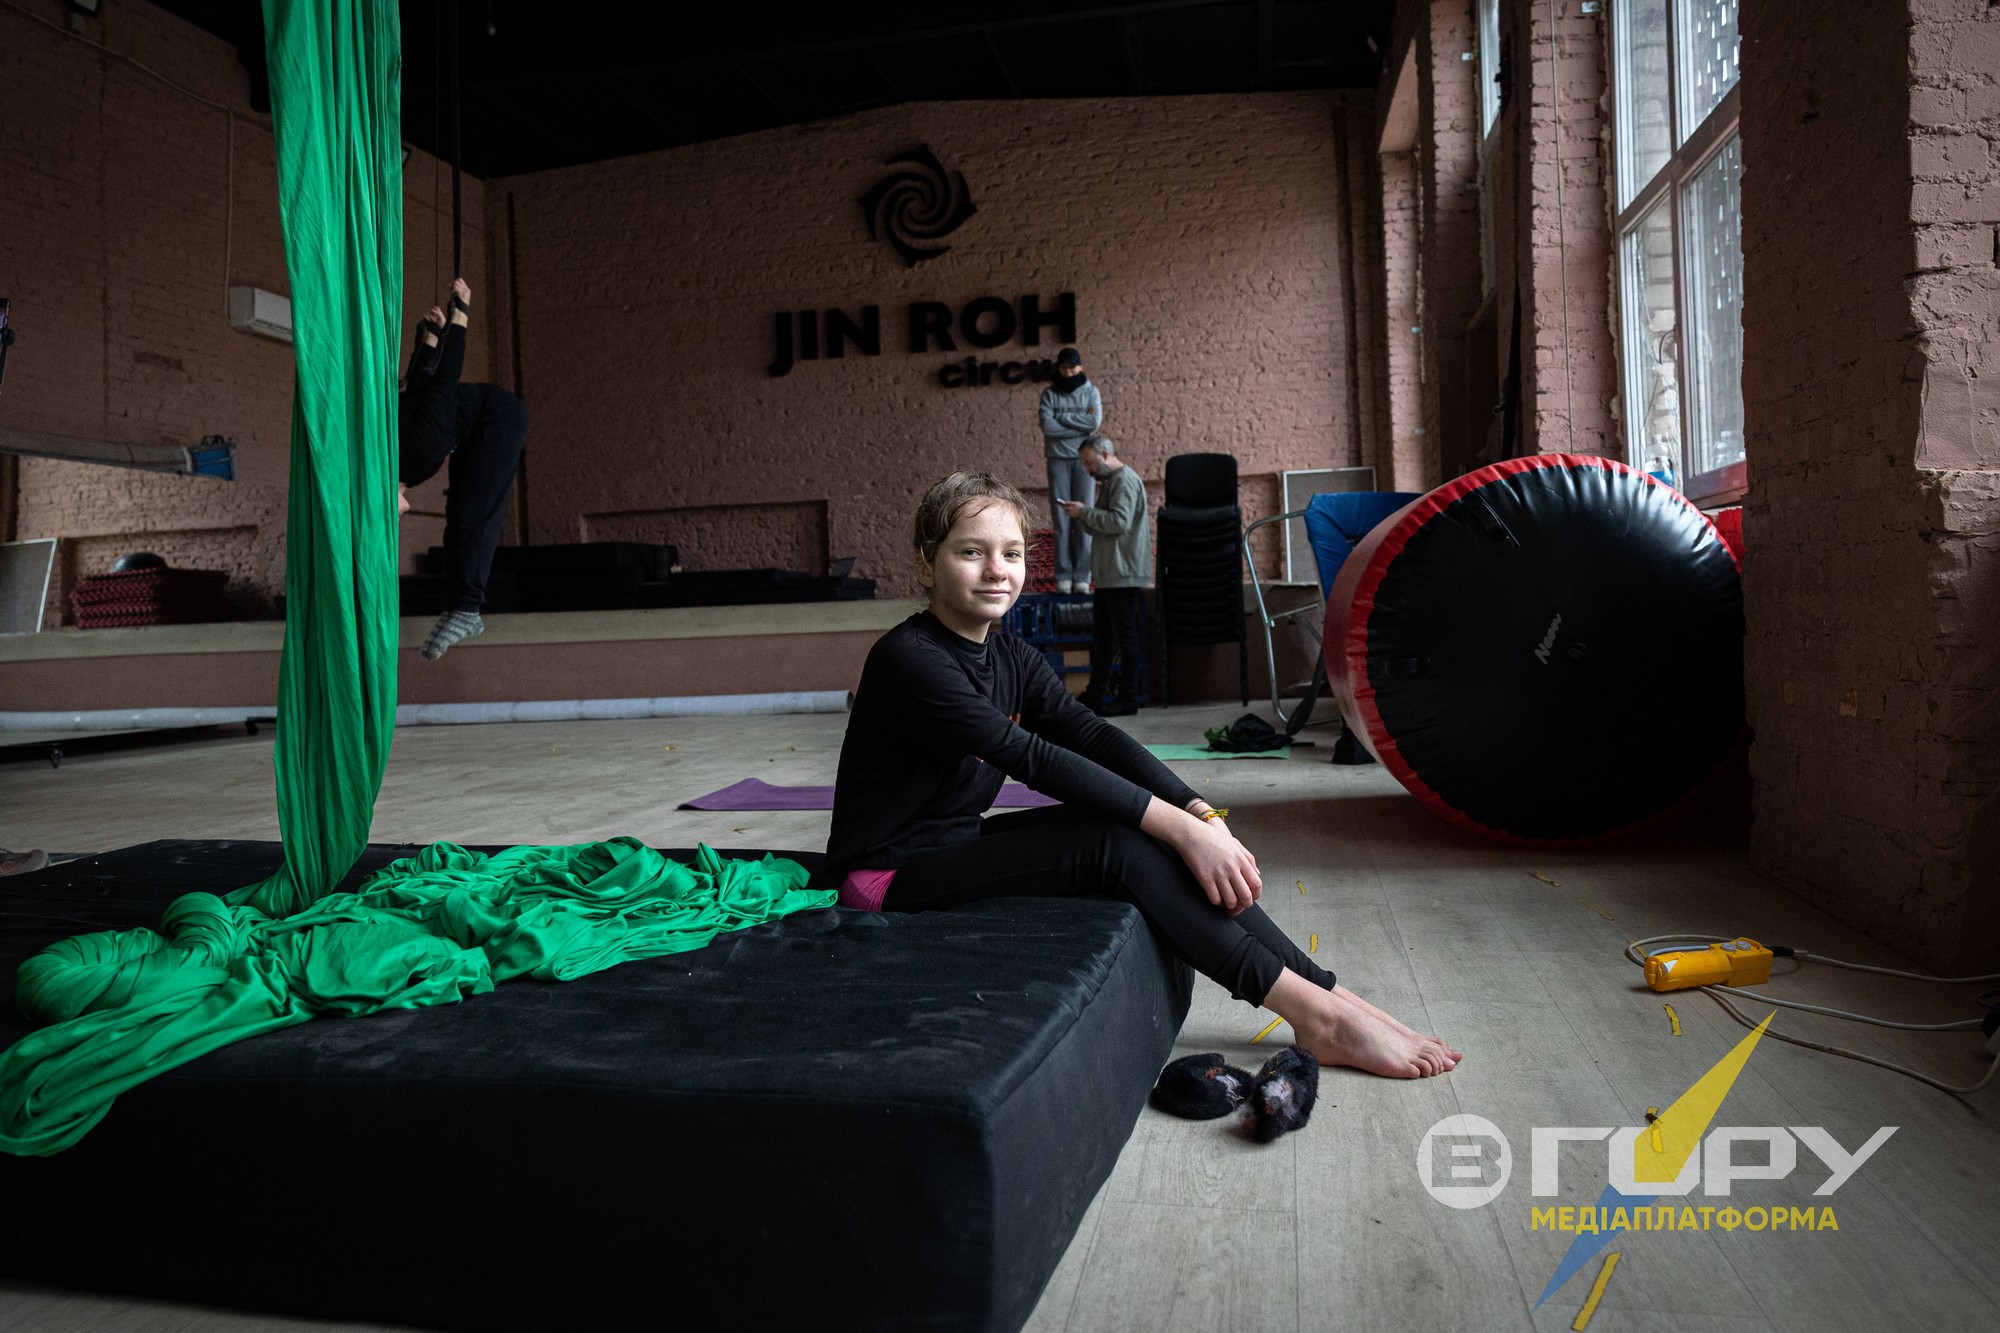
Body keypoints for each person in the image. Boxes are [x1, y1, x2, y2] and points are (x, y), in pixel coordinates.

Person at [821, 470, 1461, 1080]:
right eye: (972, 552)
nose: (997, 570)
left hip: (953, 845)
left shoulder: (1008, 654)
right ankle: (1317, 1016)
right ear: (927, 561)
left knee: (1137, 827)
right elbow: (1031, 757)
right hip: (887, 877)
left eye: (1011, 553)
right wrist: (1182, 831)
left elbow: (1091, 735)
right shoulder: (909, 659)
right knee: (1116, 844)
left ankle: (1330, 995)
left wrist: (1197, 811)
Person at [397, 278, 529, 661]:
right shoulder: (412, 459)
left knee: (473, 511)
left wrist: (457, 319)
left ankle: (467, 609)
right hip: (479, 424)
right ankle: (458, 608)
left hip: (498, 416)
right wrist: (436, 335)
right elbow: (424, 387)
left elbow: (439, 381)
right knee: (458, 514)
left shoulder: (410, 451)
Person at [1060, 436, 1148, 716]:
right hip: (1111, 574)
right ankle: (1095, 694)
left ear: (1105, 454)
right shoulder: (1111, 482)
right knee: (1105, 639)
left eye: (1089, 463)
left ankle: (1128, 698)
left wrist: (1085, 512)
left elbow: (1118, 522)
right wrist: (1081, 515)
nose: (1088, 470)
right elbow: (1103, 525)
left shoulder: (1124, 481)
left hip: (1123, 573)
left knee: (1124, 637)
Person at [1037, 347, 1101, 594]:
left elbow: (1093, 423)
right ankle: (1063, 575)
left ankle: (1082, 576)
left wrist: (1062, 419)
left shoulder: (1091, 392)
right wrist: (1078, 425)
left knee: (1084, 513)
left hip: (1085, 459)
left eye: (1072, 367)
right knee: (1061, 517)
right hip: (1057, 459)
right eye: (1064, 367)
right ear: (1058, 368)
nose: (1068, 372)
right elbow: (1047, 426)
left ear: (1080, 367)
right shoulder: (1049, 394)